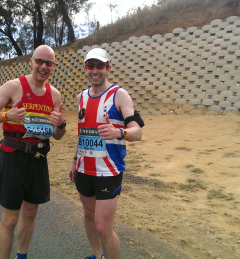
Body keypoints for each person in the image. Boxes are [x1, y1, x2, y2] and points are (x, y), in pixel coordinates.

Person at [0, 45, 66, 259]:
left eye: (49, 63)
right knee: (9, 219)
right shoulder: (13, 86)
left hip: (38, 158)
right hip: (13, 156)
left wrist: (61, 125)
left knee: (30, 213)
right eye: (40, 61)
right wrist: (7, 117)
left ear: (53, 66)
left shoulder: (54, 95)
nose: (43, 66)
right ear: (31, 61)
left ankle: (22, 256)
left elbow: (57, 135)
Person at [69, 48, 144, 259]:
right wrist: (75, 161)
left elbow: (137, 132)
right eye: (90, 66)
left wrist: (119, 132)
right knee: (89, 216)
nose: (95, 70)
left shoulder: (119, 94)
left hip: (108, 171)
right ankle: (96, 256)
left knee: (103, 227)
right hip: (84, 169)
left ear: (108, 69)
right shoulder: (80, 98)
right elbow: (83, 133)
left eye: (99, 66)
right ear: (85, 69)